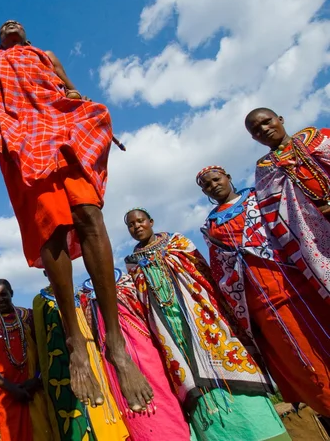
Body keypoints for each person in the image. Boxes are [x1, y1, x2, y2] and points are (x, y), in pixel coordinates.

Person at [0, 19, 152, 411]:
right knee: (52, 229)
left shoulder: (45, 56)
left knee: (89, 215)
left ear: (27, 35)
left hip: (63, 128)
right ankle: (75, 340)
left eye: (16, 22)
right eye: (2, 25)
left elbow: (70, 90)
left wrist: (88, 113)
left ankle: (116, 343)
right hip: (23, 139)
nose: (9, 24)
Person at [124, 208, 289, 441]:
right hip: (168, 329)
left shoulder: (177, 241)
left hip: (202, 315)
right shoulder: (131, 263)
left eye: (140, 221)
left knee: (223, 355)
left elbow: (202, 273)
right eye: (131, 225)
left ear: (151, 221)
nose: (137, 226)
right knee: (187, 373)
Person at [197, 165, 330, 417]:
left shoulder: (257, 198)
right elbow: (219, 269)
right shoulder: (210, 225)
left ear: (228, 176)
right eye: (206, 185)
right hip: (257, 303)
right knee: (300, 361)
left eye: (216, 179)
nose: (213, 185)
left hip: (294, 284)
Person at [78, 271, 190, 440]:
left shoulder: (129, 282)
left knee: (163, 408)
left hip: (145, 354)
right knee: (137, 419)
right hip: (111, 360)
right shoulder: (85, 301)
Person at [245, 107, 330, 292]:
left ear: (280, 119)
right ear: (254, 138)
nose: (264, 129)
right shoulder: (265, 170)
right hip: (317, 235)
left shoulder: (318, 138)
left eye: (267, 121)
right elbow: (274, 214)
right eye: (257, 130)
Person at [33, 280, 130, 440]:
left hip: (90, 357)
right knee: (72, 415)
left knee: (100, 407)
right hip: (61, 366)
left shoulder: (79, 295)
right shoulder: (40, 301)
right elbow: (42, 339)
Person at [0, 279, 52, 441]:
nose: (0, 299)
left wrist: (36, 379)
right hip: (4, 395)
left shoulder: (28, 317)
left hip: (33, 390)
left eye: (4, 295)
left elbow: (42, 349)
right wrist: (11, 389)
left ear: (11, 293)